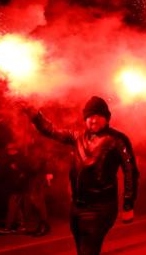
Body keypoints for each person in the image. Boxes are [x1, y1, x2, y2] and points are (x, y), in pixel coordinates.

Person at [22, 96, 139, 255]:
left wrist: (128, 204)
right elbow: (51, 130)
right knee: (82, 249)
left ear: (107, 118)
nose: (93, 120)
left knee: (88, 250)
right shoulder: (77, 137)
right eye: (90, 116)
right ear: (85, 119)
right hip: (77, 207)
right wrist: (34, 114)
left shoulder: (117, 140)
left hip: (102, 208)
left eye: (98, 116)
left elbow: (130, 170)